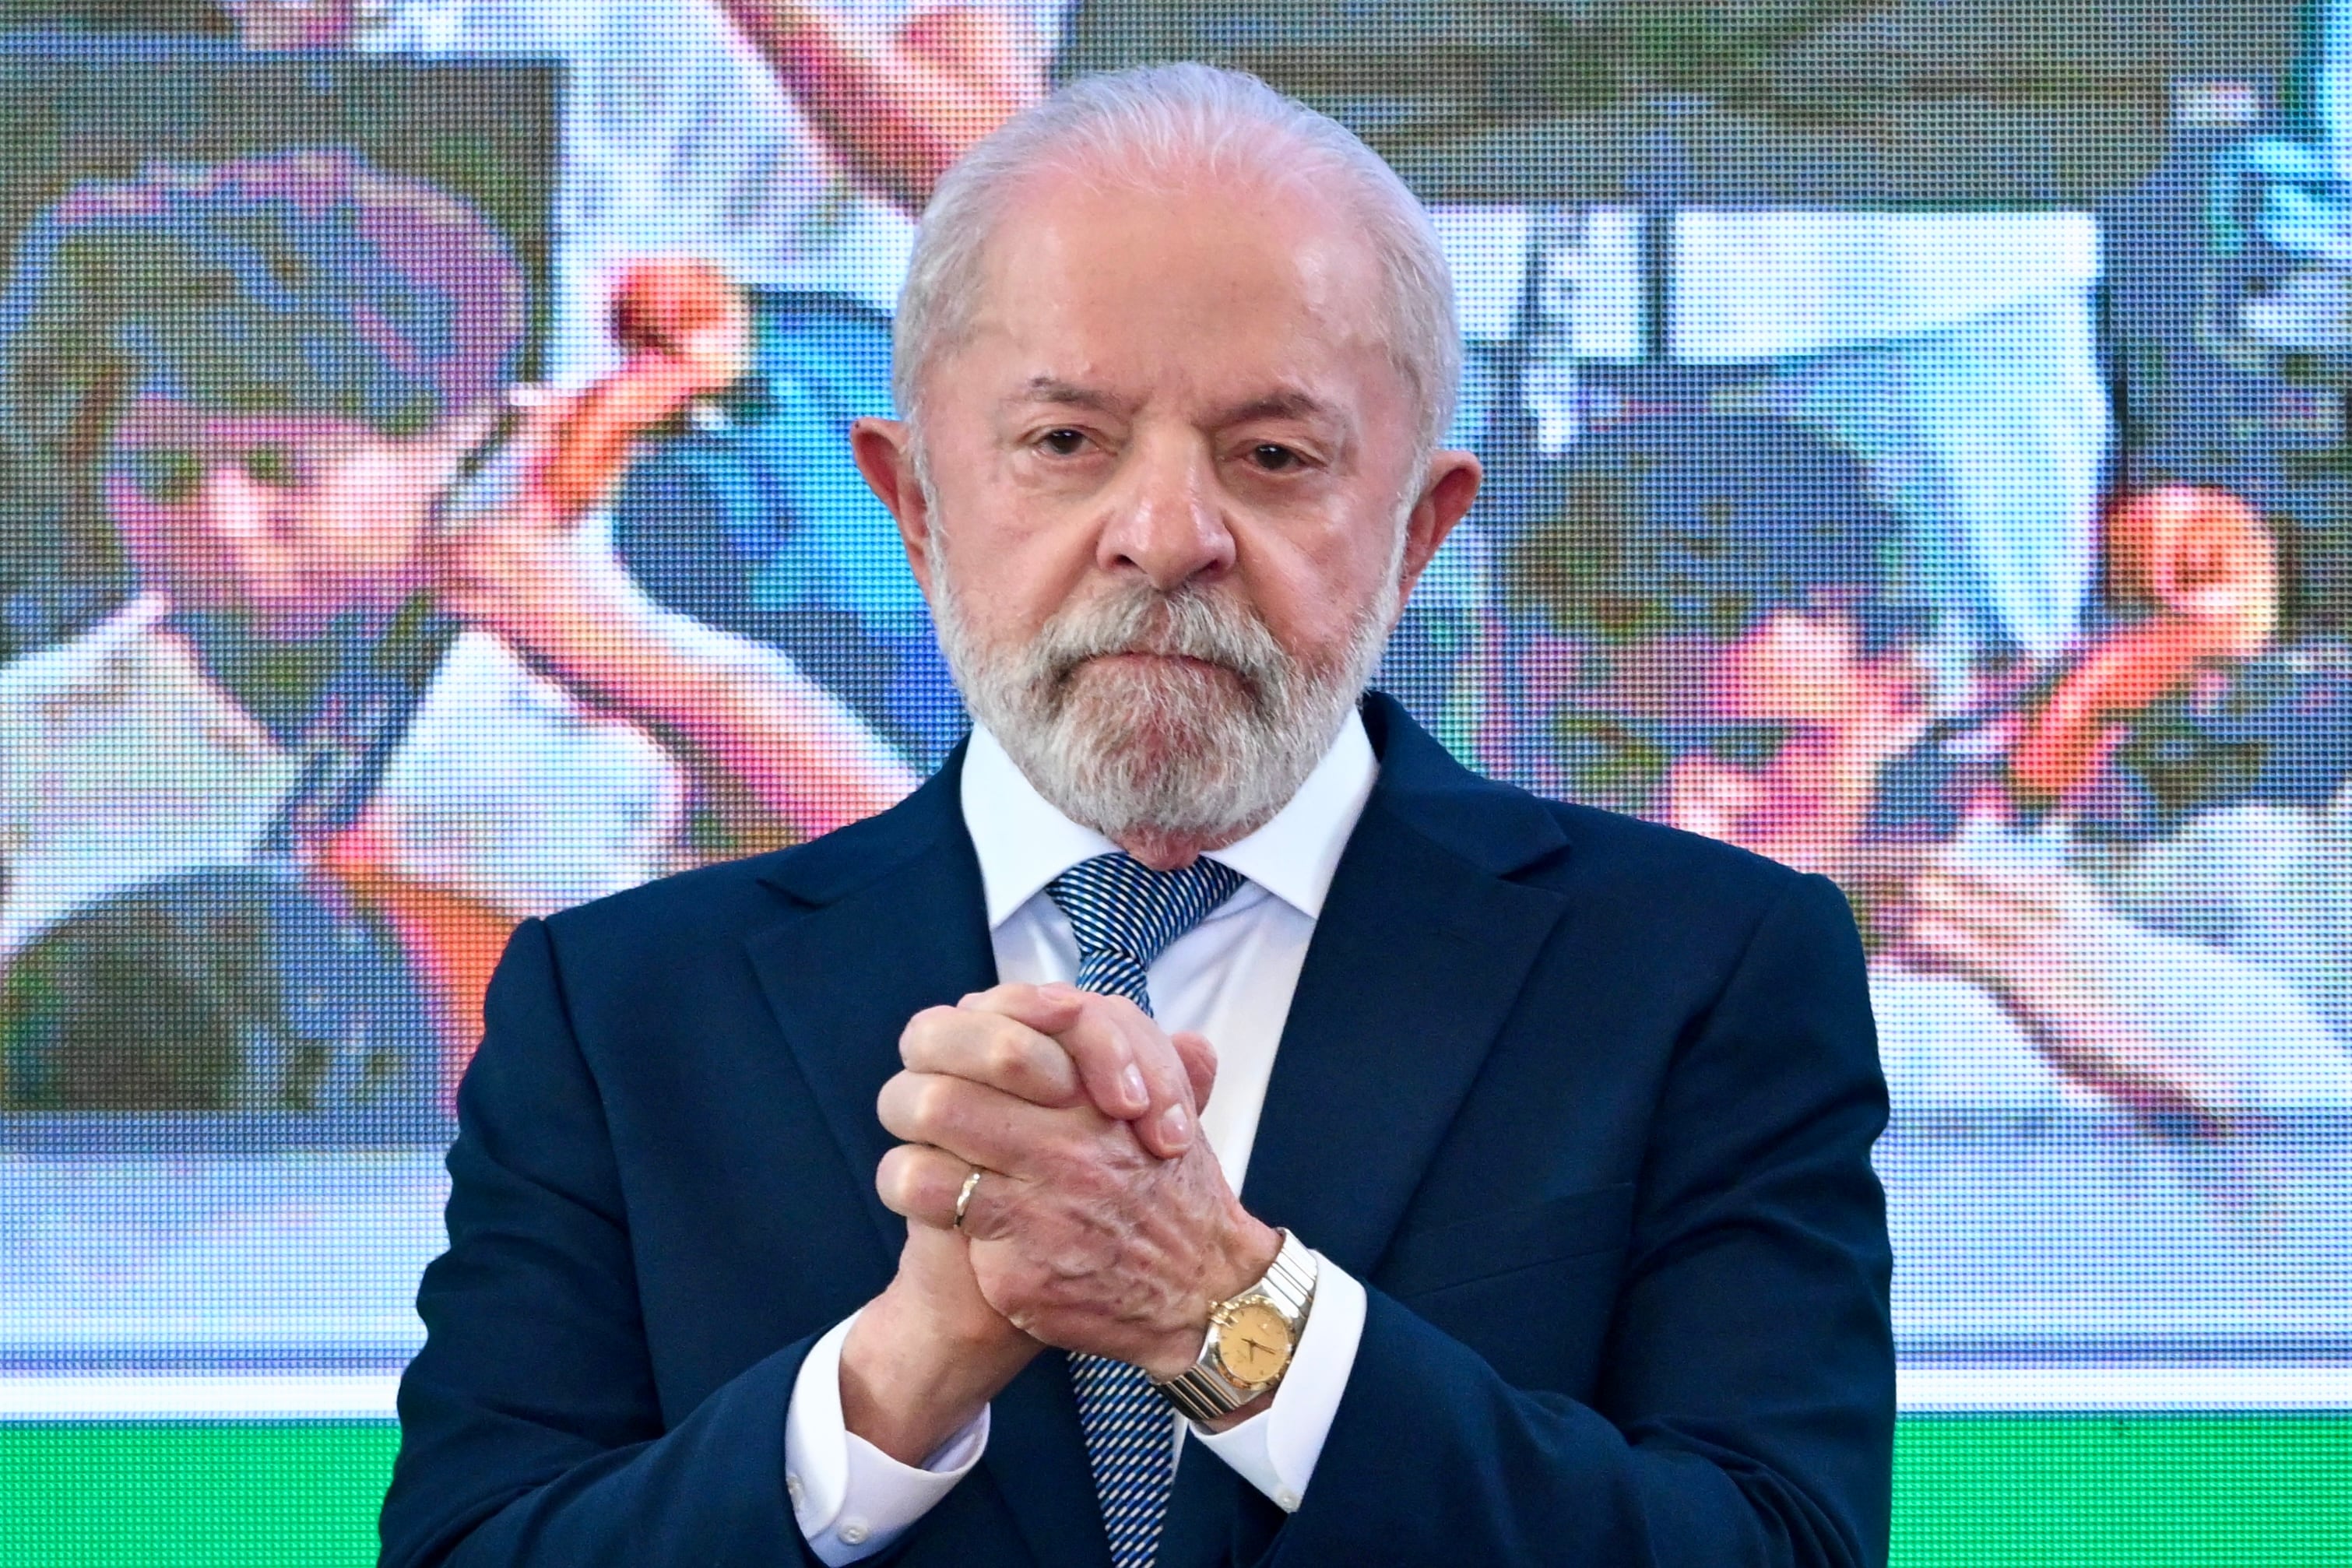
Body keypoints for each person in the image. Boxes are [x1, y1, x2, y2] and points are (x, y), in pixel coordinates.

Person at [379, 65, 1893, 1568]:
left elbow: (1778, 1544)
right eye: (1063, 444)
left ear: (1419, 529)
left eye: (1274, 457)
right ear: (912, 505)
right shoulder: (619, 999)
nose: (1166, 539)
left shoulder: (1705, 965)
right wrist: (883, 1395)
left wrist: (1225, 1313)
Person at [0, 149, 914, 1078]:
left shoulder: (648, 702)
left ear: (464, 448)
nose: (223, 525)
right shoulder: (29, 729)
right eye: (162, 476)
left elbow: (925, 904)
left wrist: (646, 678)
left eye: (290, 470)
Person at [1495, 414, 2352, 1137]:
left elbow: (2314, 1268)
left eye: (1760, 752)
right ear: (1508, 717)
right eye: (1604, 753)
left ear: (1896, 700)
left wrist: (2154, 1083)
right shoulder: (1409, 984)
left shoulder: (2124, 1003)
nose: (1682, 816)